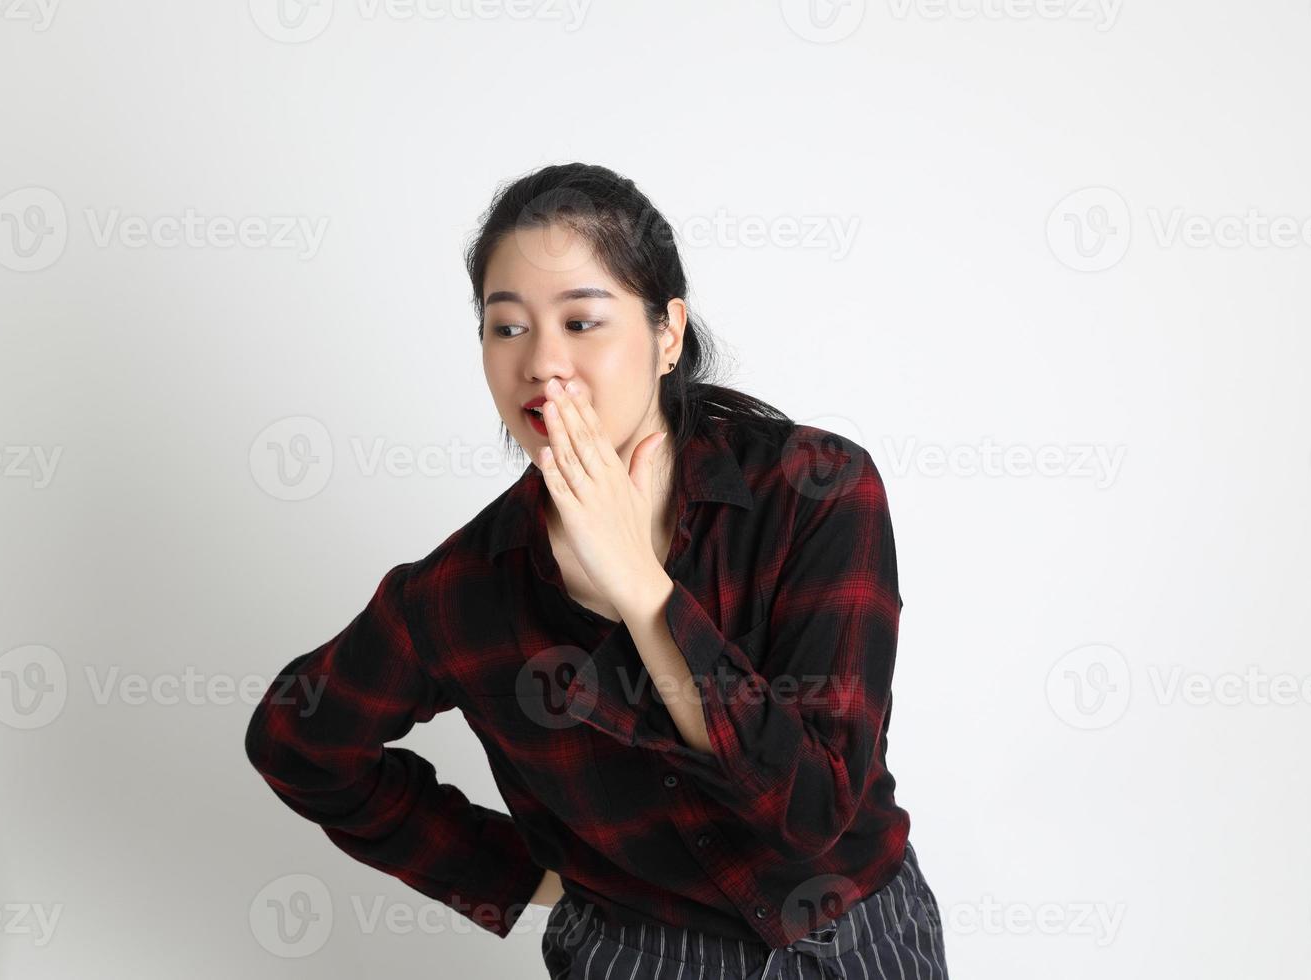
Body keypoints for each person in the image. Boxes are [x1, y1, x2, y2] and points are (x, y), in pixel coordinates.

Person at [244, 162, 950, 979]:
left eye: (581, 322)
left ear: (667, 334)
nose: (542, 363)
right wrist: (511, 877)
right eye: (506, 327)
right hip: (637, 957)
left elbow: (811, 813)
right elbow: (298, 741)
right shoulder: (463, 591)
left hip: (859, 939)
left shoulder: (814, 492)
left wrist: (643, 592)